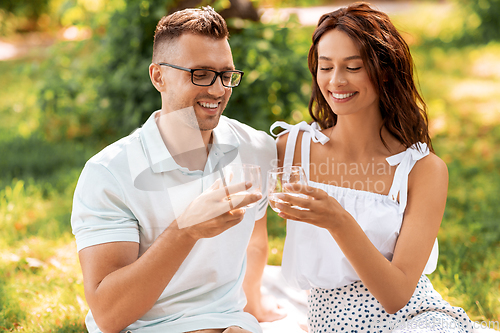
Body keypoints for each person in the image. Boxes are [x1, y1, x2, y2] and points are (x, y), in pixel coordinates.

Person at [71, 6, 284, 333]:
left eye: (226, 75)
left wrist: (253, 307)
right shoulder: (108, 174)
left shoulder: (255, 148)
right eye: (199, 74)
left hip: (230, 323)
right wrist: (187, 229)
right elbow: (109, 315)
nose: (217, 90)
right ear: (159, 77)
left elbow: (255, 240)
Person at [270, 3, 473, 332]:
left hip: (416, 319)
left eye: (353, 67)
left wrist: (338, 221)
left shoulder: (423, 170)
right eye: (325, 67)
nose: (336, 81)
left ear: (386, 71)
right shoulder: (292, 149)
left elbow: (396, 295)